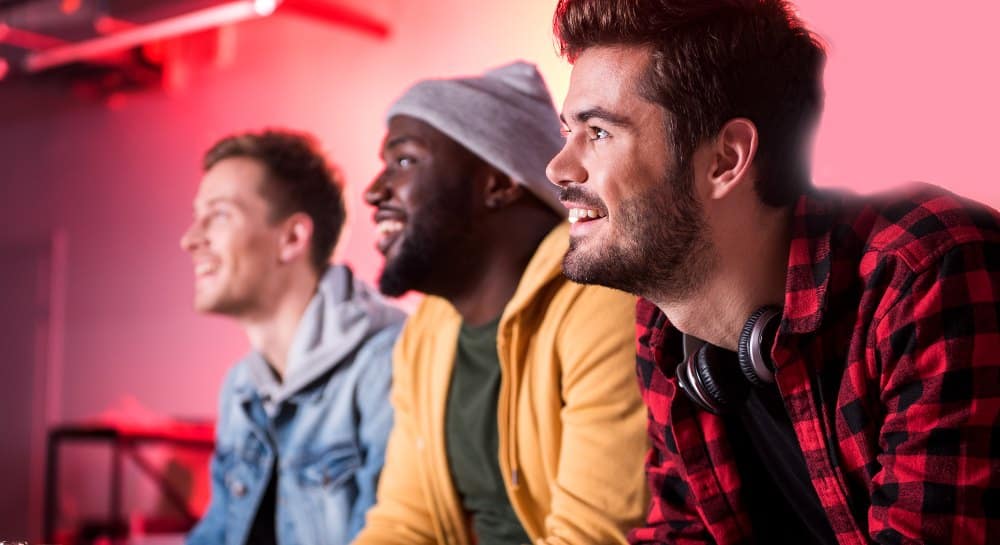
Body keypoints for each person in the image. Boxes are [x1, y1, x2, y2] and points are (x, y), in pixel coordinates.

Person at [547, 1, 1000, 544]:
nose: (558, 167)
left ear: (726, 159)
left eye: (598, 132)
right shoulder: (664, 328)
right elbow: (682, 532)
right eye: (569, 128)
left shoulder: (925, 272)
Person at [353, 62, 648, 545]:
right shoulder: (427, 331)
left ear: (498, 183)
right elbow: (405, 524)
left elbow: (592, 537)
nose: (373, 191)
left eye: (404, 161)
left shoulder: (601, 303)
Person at [181, 130, 404, 545]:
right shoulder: (241, 388)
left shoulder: (389, 363)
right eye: (197, 217)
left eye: (220, 215)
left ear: (292, 239)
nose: (191, 239)